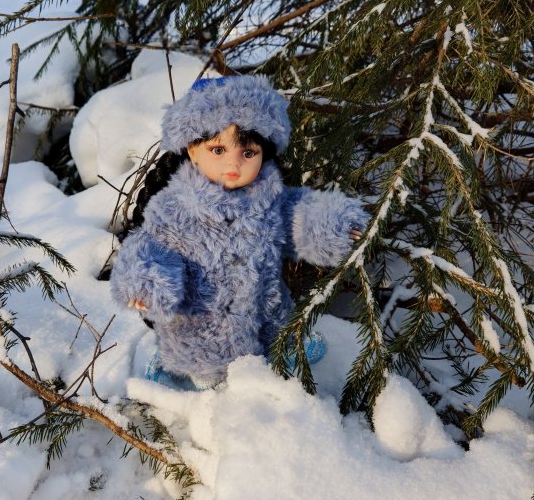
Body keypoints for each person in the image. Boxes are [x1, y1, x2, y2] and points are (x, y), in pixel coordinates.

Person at [110, 75, 367, 390]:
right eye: (218, 150)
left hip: (266, 318)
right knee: (212, 380)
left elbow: (299, 216)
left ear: (264, 152)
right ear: (192, 151)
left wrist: (332, 225)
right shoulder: (174, 209)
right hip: (202, 331)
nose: (234, 163)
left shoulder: (269, 201)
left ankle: (272, 367)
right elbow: (149, 248)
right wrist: (144, 283)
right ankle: (205, 385)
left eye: (247, 153)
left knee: (278, 365)